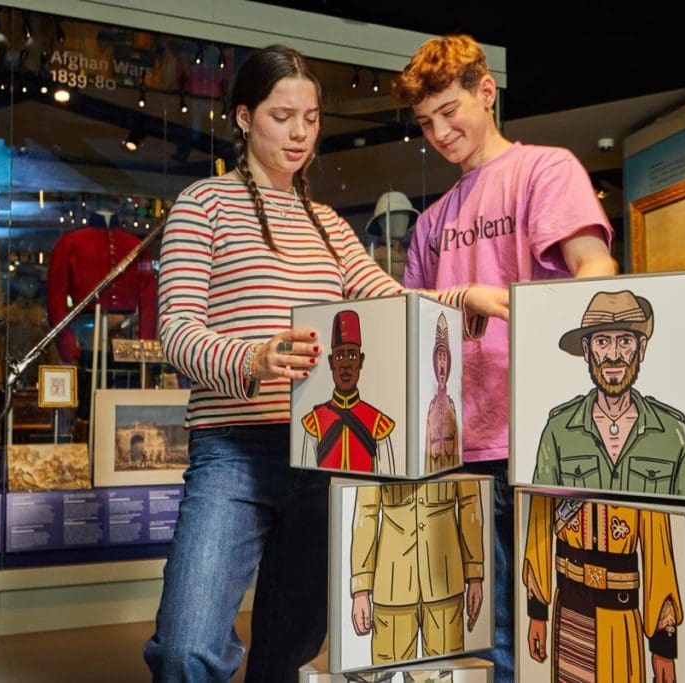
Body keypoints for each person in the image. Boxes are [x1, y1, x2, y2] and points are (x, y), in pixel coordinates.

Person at [143, 44, 509, 682]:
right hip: (232, 450)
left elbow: (391, 298)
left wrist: (462, 297)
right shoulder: (201, 206)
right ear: (242, 117)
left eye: (310, 119)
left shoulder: (329, 227)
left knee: (288, 650)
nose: (299, 134)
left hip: (321, 454)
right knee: (186, 646)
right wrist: (253, 357)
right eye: (282, 116)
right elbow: (175, 332)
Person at [393, 34, 619, 681]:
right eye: (426, 121)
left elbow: (595, 269)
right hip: (462, 444)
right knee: (494, 633)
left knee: (563, 621)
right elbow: (408, 314)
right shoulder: (432, 220)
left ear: (485, 93)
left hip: (546, 438)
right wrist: (463, 294)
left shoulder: (545, 170)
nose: (438, 132)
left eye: (449, 111)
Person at [534, 290, 685, 497]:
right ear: (587, 350)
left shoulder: (674, 432)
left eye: (625, 341)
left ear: (641, 349)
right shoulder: (558, 430)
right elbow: (541, 516)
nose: (614, 355)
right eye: (602, 342)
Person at [522, 496, 683, 683]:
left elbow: (658, 548)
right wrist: (537, 611)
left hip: (618, 616)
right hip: (569, 612)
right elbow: (539, 511)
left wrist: (663, 646)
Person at [351, 479, 484, 664]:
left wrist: (474, 573)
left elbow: (470, 503)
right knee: (386, 675)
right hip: (392, 586)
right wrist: (361, 588)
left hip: (445, 584)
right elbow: (366, 511)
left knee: (444, 674)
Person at [300, 309, 396, 474]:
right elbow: (307, 478)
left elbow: (388, 483)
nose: (345, 364)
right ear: (330, 362)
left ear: (361, 360)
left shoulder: (378, 424)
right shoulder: (314, 422)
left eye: (352, 356)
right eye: (339, 356)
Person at [424, 312, 458, 473]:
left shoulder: (452, 406)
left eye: (445, 356)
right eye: (439, 356)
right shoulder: (430, 408)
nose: (442, 361)